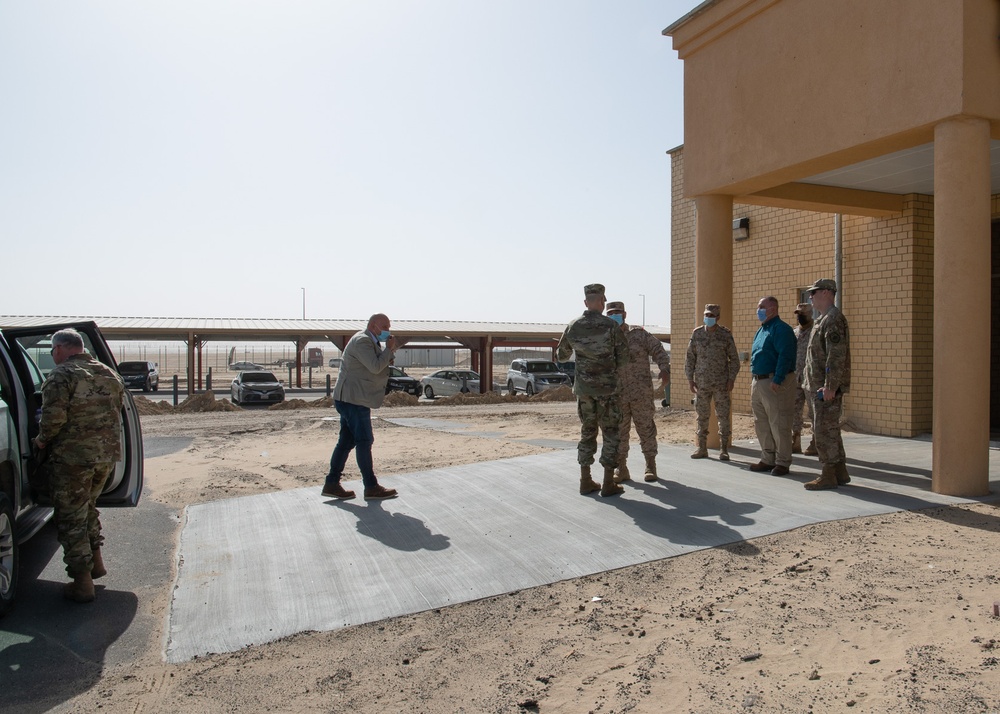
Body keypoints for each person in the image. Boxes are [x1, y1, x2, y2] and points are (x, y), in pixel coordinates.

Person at [33, 328, 125, 603]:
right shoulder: (109, 374)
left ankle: (82, 582)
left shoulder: (61, 375)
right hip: (104, 459)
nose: (53, 356)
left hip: (72, 460)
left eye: (52, 351)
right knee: (86, 509)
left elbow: (53, 419)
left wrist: (40, 442)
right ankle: (96, 563)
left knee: (70, 517)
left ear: (60, 348)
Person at [556, 283, 630, 497]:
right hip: (608, 390)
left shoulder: (573, 326)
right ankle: (608, 482)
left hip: (584, 390)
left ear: (586, 302)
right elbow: (624, 359)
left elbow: (561, 357)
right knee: (611, 432)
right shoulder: (611, 326)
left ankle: (585, 480)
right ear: (602, 301)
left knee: (588, 432)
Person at [322, 314, 400, 501]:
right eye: (385, 326)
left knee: (347, 441)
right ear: (374, 326)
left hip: (353, 398)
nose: (388, 330)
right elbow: (375, 366)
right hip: (354, 400)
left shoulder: (369, 342)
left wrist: (387, 353)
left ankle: (332, 483)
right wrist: (389, 350)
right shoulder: (362, 341)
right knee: (364, 440)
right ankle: (371, 486)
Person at [605, 300, 670, 483]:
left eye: (617, 312)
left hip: (640, 393)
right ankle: (622, 468)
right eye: (610, 313)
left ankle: (650, 465)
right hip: (617, 395)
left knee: (646, 429)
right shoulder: (604, 338)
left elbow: (658, 349)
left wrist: (664, 369)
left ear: (624, 314)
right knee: (619, 432)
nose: (614, 316)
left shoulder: (639, 334)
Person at [802, 279, 852, 490]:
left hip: (825, 389)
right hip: (817, 386)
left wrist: (830, 385)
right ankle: (839, 471)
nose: (810, 297)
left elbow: (836, 356)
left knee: (823, 430)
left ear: (825, 293)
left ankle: (828, 474)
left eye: (813, 293)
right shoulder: (823, 319)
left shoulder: (833, 319)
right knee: (830, 429)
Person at [748, 296, 797, 475]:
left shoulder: (781, 329)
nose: (758, 310)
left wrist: (777, 378)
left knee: (779, 422)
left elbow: (786, 355)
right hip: (758, 381)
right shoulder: (761, 330)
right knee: (761, 422)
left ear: (773, 309)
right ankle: (768, 458)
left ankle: (783, 461)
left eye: (761, 306)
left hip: (774, 382)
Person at [684, 304, 740, 460]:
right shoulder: (697, 334)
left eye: (711, 316)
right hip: (702, 384)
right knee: (702, 416)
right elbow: (690, 358)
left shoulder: (725, 335)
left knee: (723, 416)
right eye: (706, 315)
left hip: (721, 384)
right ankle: (702, 448)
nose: (708, 318)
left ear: (718, 317)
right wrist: (690, 379)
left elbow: (734, 359)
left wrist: (731, 379)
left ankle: (724, 449)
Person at [792, 303, 817, 455]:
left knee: (814, 412)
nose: (800, 316)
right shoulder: (794, 332)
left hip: (812, 378)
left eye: (803, 313)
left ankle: (815, 443)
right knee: (794, 411)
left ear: (810, 313)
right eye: (798, 313)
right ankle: (795, 441)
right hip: (795, 377)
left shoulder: (816, 331)